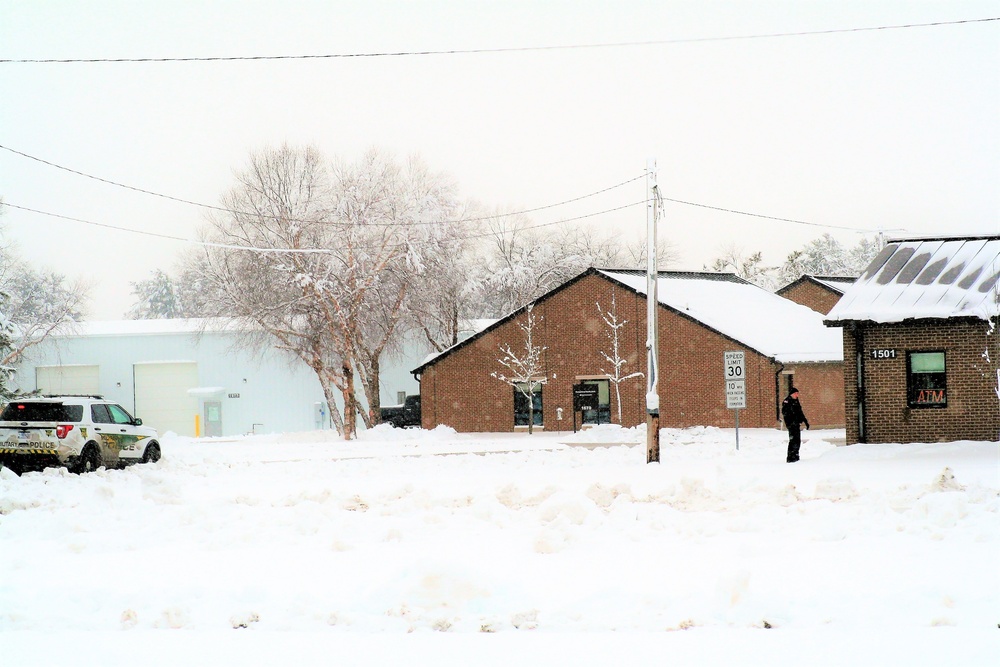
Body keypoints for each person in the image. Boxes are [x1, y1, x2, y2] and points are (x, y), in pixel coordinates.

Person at [781, 387, 810, 463]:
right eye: (796, 393)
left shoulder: (796, 401)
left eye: (798, 393)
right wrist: (791, 421)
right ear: (792, 394)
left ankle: (796, 455)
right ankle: (790, 457)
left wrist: (805, 421)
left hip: (796, 424)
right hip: (791, 424)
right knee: (793, 440)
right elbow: (785, 413)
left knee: (797, 440)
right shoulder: (787, 401)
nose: (797, 395)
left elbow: (800, 412)